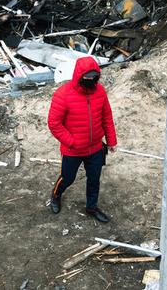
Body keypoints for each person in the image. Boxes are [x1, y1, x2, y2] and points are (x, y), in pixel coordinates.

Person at [47, 56, 117, 223]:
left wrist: (111, 140)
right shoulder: (62, 95)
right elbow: (54, 124)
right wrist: (72, 142)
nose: (90, 80)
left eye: (94, 77)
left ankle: (91, 207)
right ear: (79, 75)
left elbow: (107, 116)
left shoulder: (100, 91)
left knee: (94, 179)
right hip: (73, 150)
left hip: (95, 148)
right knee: (67, 177)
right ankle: (56, 195)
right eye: (87, 78)